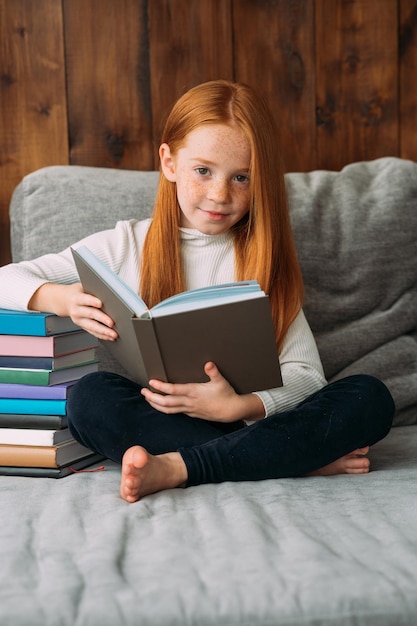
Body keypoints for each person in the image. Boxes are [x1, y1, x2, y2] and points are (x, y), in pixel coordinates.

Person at [0, 80, 395, 503]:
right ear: (169, 162)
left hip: (252, 422)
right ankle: (293, 460)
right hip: (168, 422)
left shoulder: (262, 259)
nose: (220, 195)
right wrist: (61, 298)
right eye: (203, 171)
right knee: (89, 401)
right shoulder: (124, 245)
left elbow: (306, 376)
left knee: (369, 396)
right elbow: (8, 277)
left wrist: (238, 407)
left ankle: (180, 468)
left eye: (241, 177)